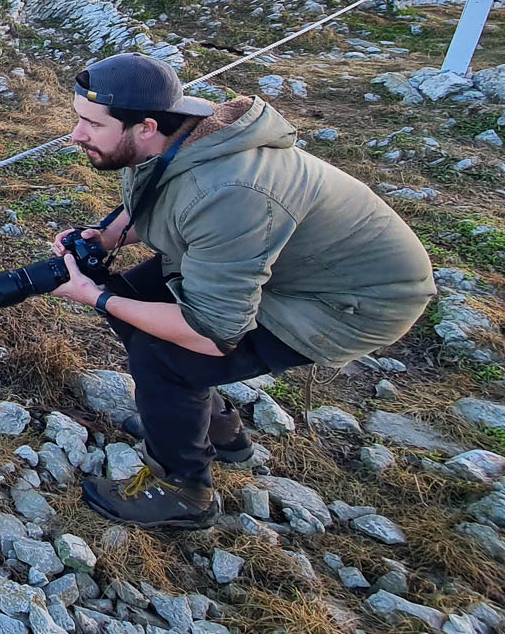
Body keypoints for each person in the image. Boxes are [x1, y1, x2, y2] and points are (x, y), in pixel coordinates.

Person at [46, 53, 435, 529]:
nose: (76, 135)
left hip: (348, 302)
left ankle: (183, 491)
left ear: (145, 126)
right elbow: (153, 188)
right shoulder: (177, 134)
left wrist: (97, 297)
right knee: (143, 302)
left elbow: (211, 331)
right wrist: (109, 237)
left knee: (161, 353)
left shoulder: (230, 193)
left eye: (90, 124)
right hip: (292, 267)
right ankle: (214, 426)